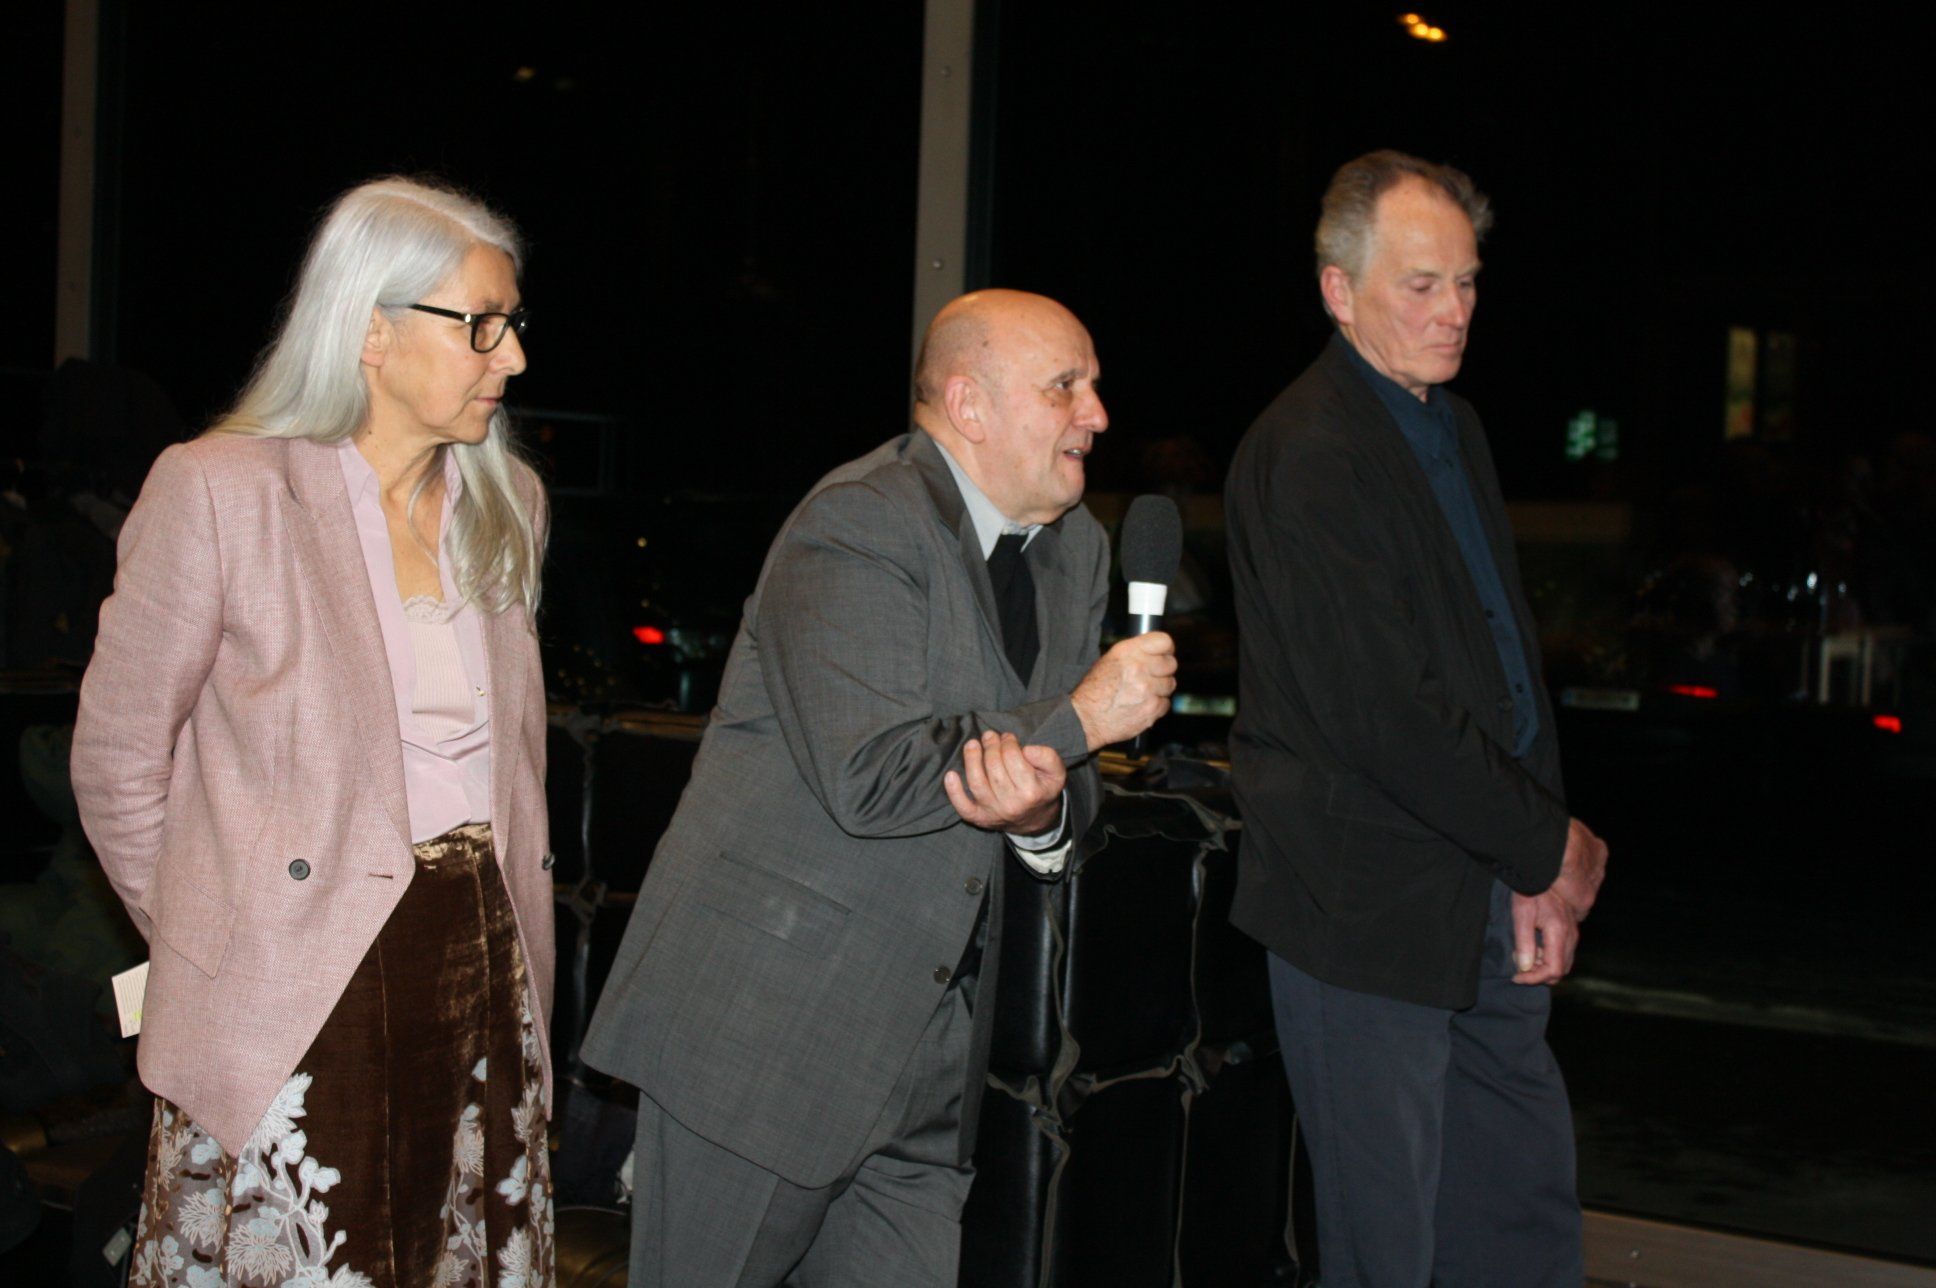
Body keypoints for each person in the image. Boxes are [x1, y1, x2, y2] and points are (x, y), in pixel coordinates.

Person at [580, 289, 1177, 1287]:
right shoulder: (858, 520)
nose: (1097, 414)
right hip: (768, 1034)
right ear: (969, 403)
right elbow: (871, 771)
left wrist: (1041, 815)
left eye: (1095, 387)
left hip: (938, 1055)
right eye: (1065, 386)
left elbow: (1065, 785)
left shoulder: (1077, 548)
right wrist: (1080, 715)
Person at [71, 176, 557, 1288]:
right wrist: (221, 941)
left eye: (514, 322)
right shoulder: (221, 491)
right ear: (371, 331)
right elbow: (115, 761)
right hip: (298, 979)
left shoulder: (510, 504)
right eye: (481, 324)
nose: (514, 357)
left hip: (482, 961)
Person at [1223, 151, 1611, 1286]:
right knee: (1384, 1252)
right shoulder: (1307, 451)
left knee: (1520, 1224)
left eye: (1468, 283)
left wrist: (1531, 869)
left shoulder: (1455, 425)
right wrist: (1546, 844)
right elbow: (1382, 715)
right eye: (1422, 284)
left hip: (1482, 889)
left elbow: (1503, 665)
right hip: (1365, 913)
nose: (1455, 311)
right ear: (1338, 292)